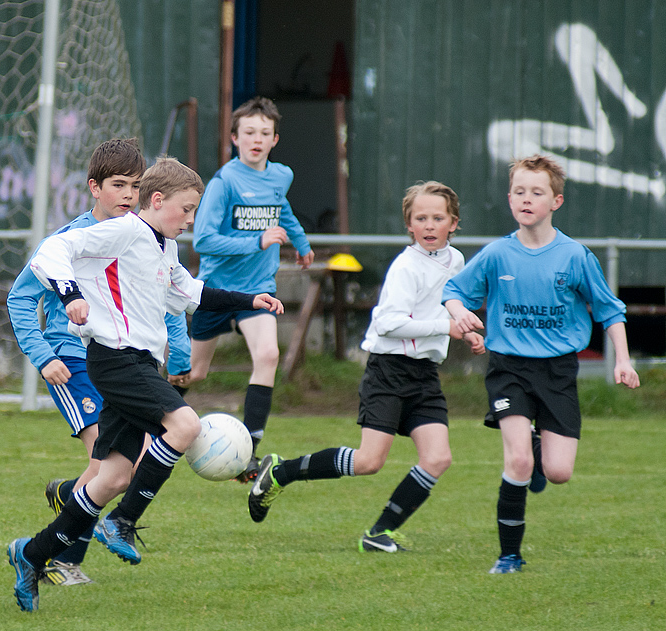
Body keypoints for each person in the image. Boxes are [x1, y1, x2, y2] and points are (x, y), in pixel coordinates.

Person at [7, 156, 284, 612]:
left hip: (139, 363)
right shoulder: (126, 229)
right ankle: (122, 522)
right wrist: (72, 296)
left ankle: (32, 554)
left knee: (113, 476)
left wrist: (248, 298)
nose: (191, 219)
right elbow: (50, 253)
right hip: (115, 361)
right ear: (157, 201)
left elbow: (190, 295)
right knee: (185, 424)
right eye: (187, 209)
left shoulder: (162, 245)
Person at [247, 181, 484, 553]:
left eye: (438, 218)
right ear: (409, 225)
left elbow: (446, 308)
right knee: (370, 461)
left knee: (438, 458)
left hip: (423, 374)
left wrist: (465, 330)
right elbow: (389, 323)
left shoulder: (455, 260)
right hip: (389, 371)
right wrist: (447, 328)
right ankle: (281, 472)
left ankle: (379, 533)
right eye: (420, 218)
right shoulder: (407, 267)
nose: (429, 225)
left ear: (453, 223)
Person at [442, 154, 640, 574]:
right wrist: (459, 311)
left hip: (558, 372)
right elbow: (454, 290)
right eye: (519, 191)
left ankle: (537, 445)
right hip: (509, 368)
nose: (526, 199)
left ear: (557, 201)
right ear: (509, 199)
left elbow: (610, 311)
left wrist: (622, 360)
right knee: (517, 463)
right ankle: (509, 555)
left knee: (559, 471)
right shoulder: (497, 254)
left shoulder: (575, 256)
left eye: (537, 192)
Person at [7, 138, 191, 587]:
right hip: (72, 361)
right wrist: (42, 355)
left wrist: (179, 355)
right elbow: (20, 297)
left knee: (116, 472)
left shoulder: (151, 236)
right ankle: (60, 560)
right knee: (104, 464)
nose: (128, 195)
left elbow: (168, 299)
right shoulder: (69, 240)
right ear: (95, 188)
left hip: (126, 362)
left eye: (135, 186)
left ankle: (66, 503)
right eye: (118, 185)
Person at [190, 96, 315, 482]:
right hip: (216, 290)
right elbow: (203, 240)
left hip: (258, 289)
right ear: (234, 138)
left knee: (268, 355)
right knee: (192, 373)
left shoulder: (281, 176)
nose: (256, 139)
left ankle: (249, 454)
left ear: (275, 139)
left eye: (264, 133)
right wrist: (256, 241)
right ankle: (148, 434)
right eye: (248, 133)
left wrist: (301, 242)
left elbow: (282, 209)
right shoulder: (224, 182)